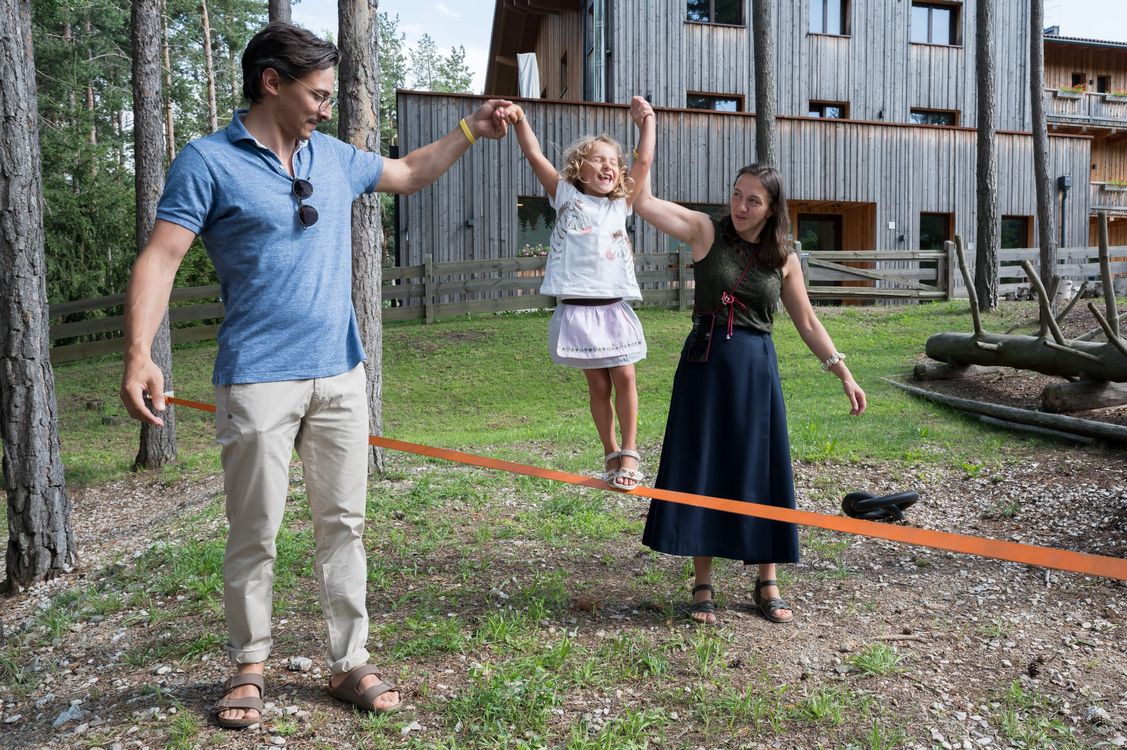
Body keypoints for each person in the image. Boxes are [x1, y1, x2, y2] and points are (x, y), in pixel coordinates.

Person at [119, 22, 511, 728]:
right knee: (255, 528)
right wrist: (139, 353)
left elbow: (409, 172)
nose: (326, 107)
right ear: (272, 82)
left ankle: (348, 660)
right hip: (257, 377)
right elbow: (161, 258)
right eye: (317, 93)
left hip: (340, 374)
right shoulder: (207, 161)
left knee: (343, 524)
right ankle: (249, 666)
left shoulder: (331, 156)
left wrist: (471, 129)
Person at [631, 132, 866, 625]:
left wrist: (841, 371)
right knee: (704, 465)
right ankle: (702, 584)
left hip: (757, 371)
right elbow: (642, 201)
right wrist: (648, 133)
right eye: (737, 194)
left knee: (761, 467)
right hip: (705, 367)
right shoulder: (704, 232)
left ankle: (767, 579)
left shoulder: (784, 259)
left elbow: (806, 322)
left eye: (752, 199)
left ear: (772, 208)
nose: (740, 205)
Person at [500, 97, 656, 490]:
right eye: (598, 159)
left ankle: (631, 451)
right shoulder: (565, 194)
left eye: (612, 161)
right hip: (578, 311)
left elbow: (644, 163)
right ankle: (610, 449)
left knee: (625, 375)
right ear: (578, 168)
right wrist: (520, 120)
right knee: (598, 385)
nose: (607, 166)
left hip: (613, 308)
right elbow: (533, 152)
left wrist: (647, 122)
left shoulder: (621, 203)